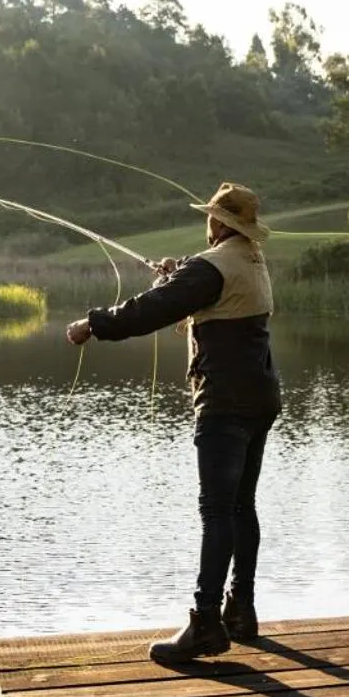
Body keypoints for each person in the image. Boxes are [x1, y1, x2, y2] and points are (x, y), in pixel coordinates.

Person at [66, 181, 280, 664]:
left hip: (224, 404)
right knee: (241, 506)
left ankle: (206, 624)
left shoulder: (213, 267)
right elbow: (201, 291)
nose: (208, 222)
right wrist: (177, 275)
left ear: (220, 223)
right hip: (259, 398)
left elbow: (150, 312)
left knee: (217, 511)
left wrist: (93, 324)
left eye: (211, 216)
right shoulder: (251, 260)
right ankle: (240, 609)